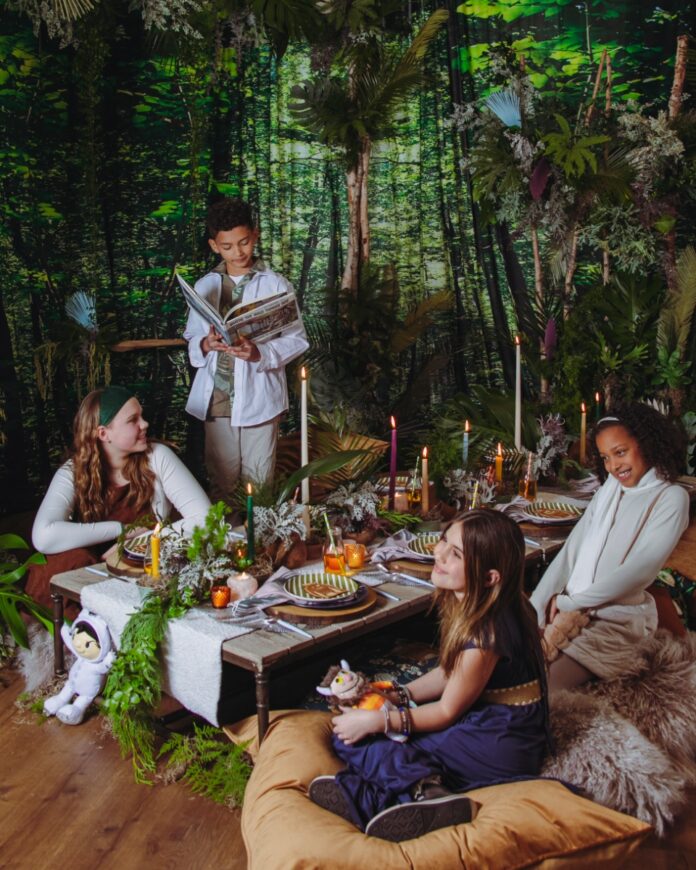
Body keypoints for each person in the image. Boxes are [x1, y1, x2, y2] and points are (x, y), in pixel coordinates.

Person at [309, 510, 551, 842]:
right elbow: (449, 673)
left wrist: (379, 722)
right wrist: (398, 694)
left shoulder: (487, 631)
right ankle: (402, 797)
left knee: (363, 738)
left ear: (489, 578)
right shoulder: (484, 602)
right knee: (362, 729)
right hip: (490, 718)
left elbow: (446, 710)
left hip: (501, 738)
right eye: (444, 541)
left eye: (456, 554)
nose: (439, 553)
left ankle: (397, 796)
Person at [530, 402, 689, 692]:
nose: (614, 466)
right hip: (573, 608)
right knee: (511, 668)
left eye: (621, 452)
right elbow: (571, 551)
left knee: (543, 691)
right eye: (605, 457)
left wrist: (570, 603)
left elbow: (639, 572)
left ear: (646, 444)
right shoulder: (609, 491)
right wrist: (536, 606)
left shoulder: (670, 497)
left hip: (618, 621)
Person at [28, 386, 211, 612]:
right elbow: (43, 536)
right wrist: (122, 531)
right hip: (92, 565)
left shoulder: (157, 457)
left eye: (141, 416)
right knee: (64, 563)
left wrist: (135, 544)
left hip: (144, 564)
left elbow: (205, 518)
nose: (145, 424)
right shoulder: (72, 472)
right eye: (133, 420)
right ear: (104, 433)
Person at [183, 197, 309, 503]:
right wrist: (205, 344)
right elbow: (192, 337)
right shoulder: (204, 286)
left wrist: (260, 354)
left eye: (244, 242)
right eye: (227, 247)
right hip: (218, 398)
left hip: (259, 398)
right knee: (223, 484)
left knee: (259, 483)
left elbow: (297, 339)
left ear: (255, 235)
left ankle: (260, 547)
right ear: (214, 246)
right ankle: (228, 546)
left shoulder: (276, 284)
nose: (238, 252)